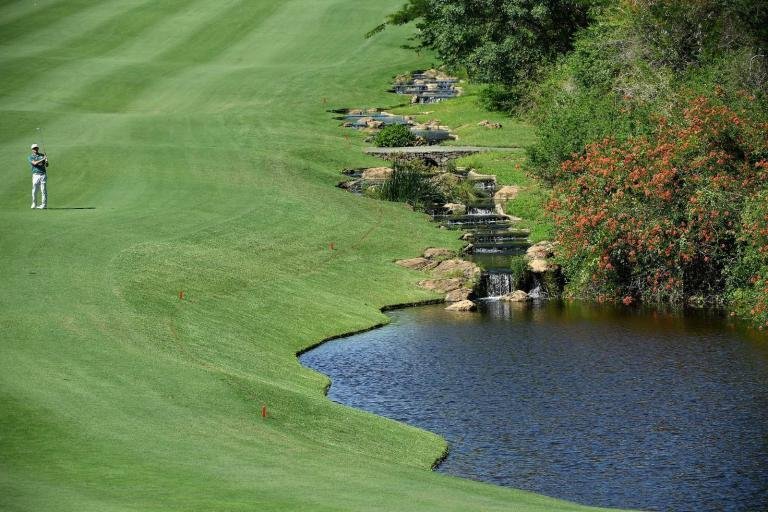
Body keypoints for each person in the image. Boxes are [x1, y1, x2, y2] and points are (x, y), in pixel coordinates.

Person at [29, 143, 48, 209]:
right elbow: (34, 163)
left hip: (43, 174)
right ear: (32, 150)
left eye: (36, 148)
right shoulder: (31, 157)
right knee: (34, 190)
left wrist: (46, 160)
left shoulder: (42, 155)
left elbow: (47, 165)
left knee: (43, 190)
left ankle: (44, 205)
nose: (35, 149)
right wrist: (43, 159)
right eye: (34, 148)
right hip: (35, 175)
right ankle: (34, 203)